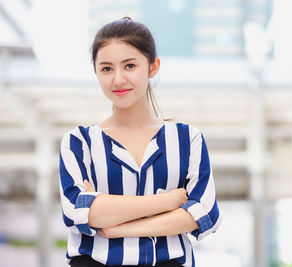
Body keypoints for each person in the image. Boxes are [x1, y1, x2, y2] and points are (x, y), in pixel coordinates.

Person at [58, 17, 221, 267]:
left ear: (153, 67)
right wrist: (169, 201)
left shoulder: (187, 139)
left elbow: (204, 212)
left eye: (130, 66)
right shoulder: (79, 142)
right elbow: (76, 212)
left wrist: (116, 227)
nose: (118, 79)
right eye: (106, 68)